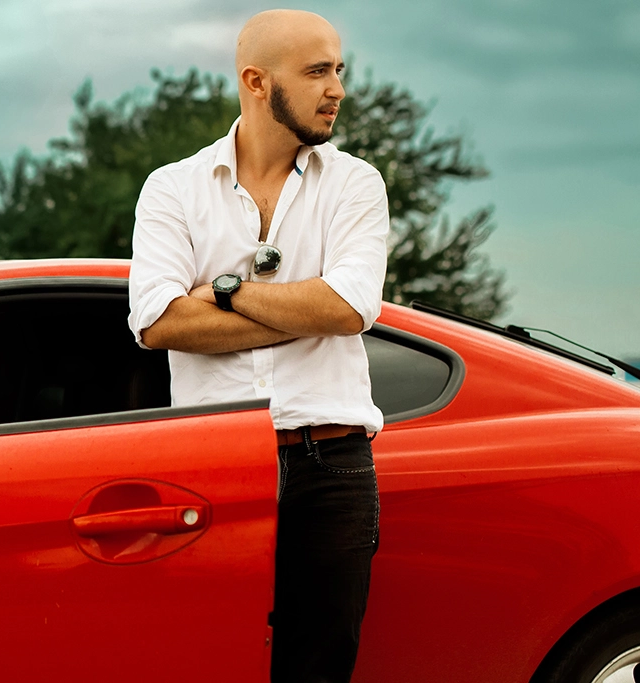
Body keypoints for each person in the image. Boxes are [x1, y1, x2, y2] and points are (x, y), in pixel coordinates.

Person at [126, 9, 388, 683]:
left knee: (319, 668)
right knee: (213, 660)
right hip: (213, 467)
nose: (338, 89)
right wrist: (307, 307)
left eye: (339, 69)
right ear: (256, 81)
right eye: (317, 71)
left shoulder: (356, 183)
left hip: (331, 464)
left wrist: (221, 291)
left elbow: (349, 306)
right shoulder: (173, 189)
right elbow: (157, 321)